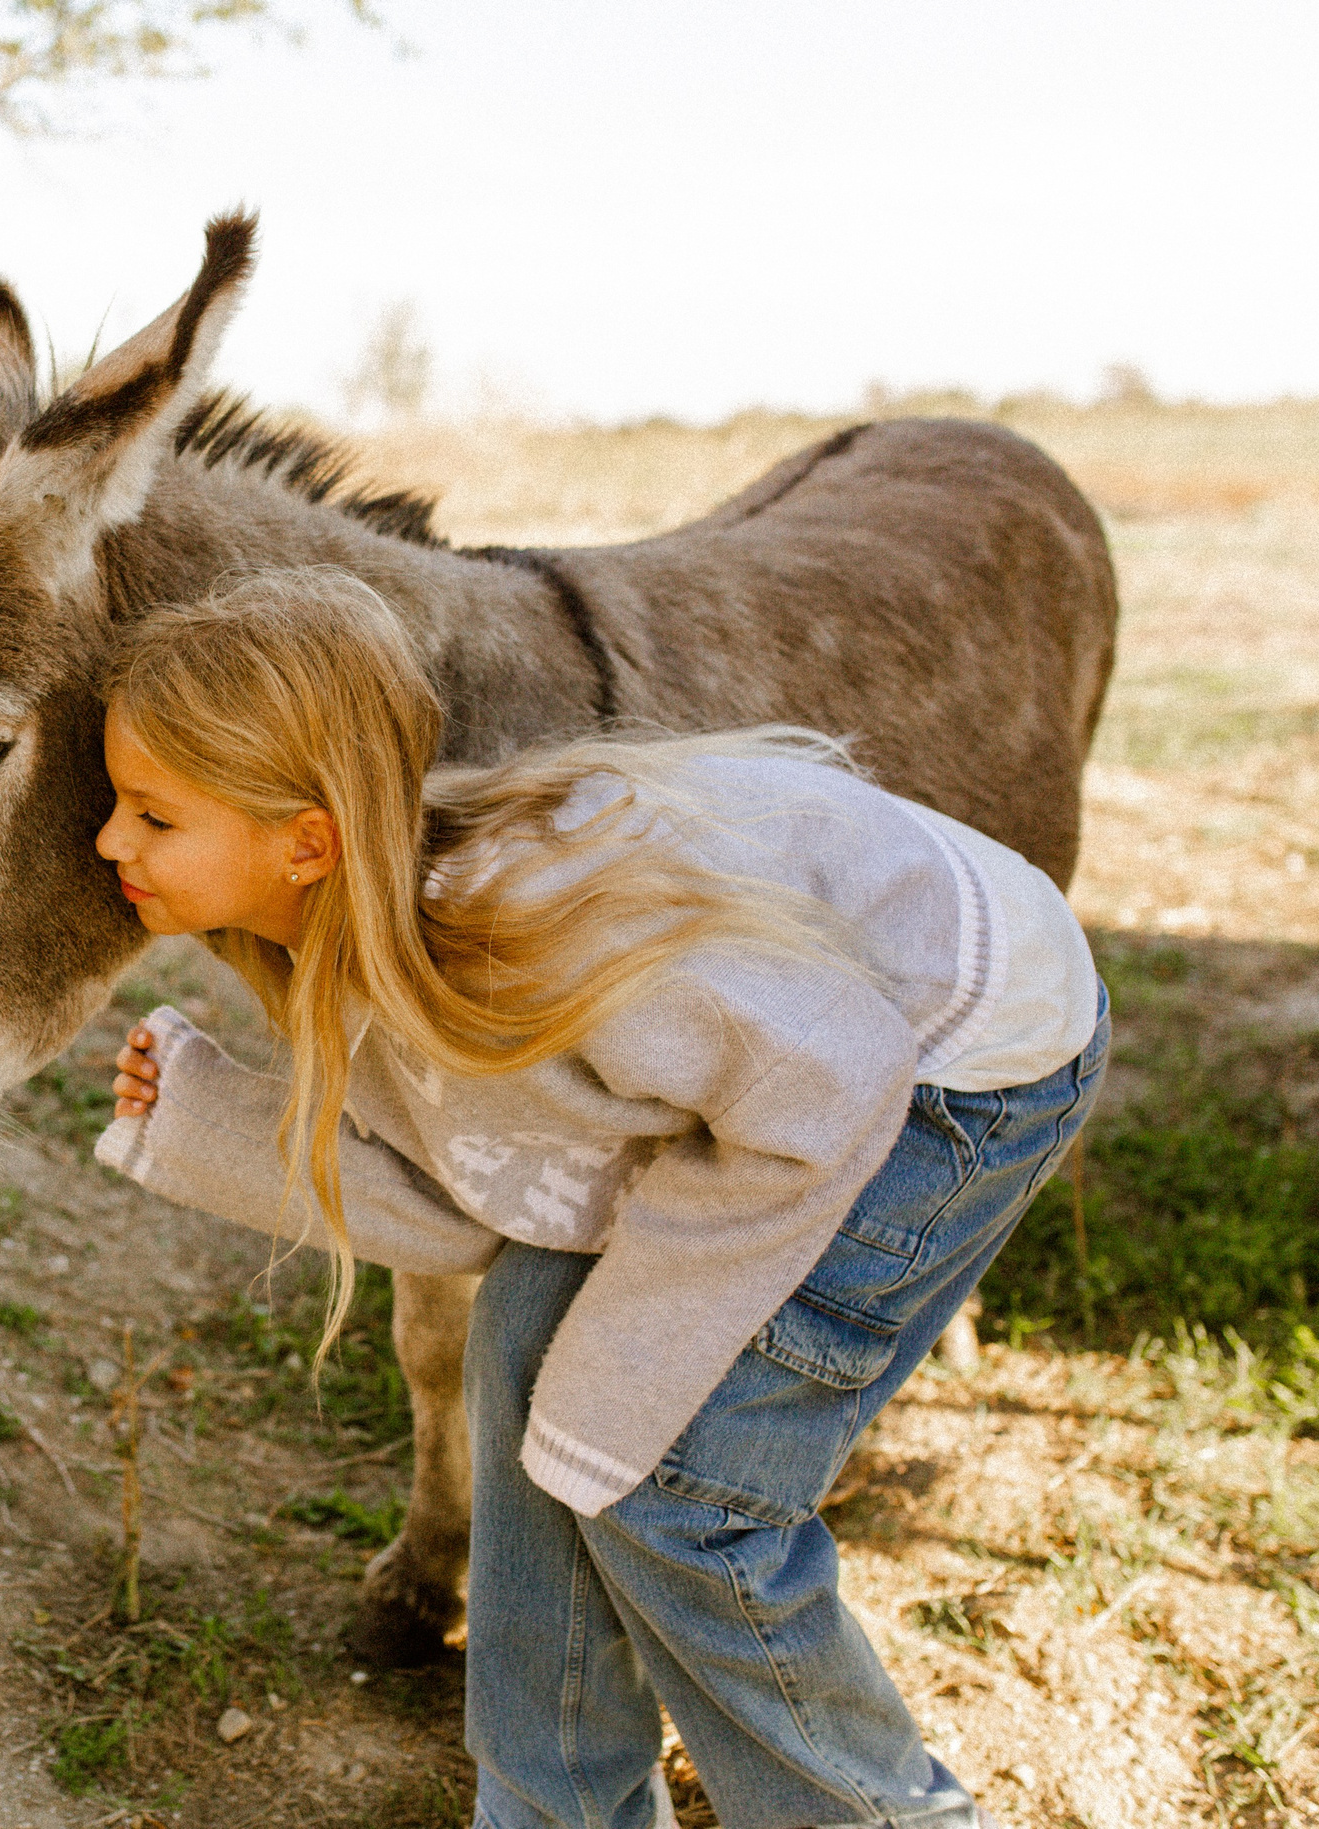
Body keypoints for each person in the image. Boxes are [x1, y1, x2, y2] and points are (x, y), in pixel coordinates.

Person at [88, 568, 1106, 1829]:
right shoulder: (352, 941)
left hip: (959, 1052)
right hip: (779, 1070)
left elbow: (829, 1084)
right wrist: (210, 1120)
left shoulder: (525, 930)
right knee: (528, 1353)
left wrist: (627, 1382)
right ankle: (553, 1808)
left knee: (677, 1485)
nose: (107, 841)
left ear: (304, 839)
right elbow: (490, 1200)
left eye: (150, 813)